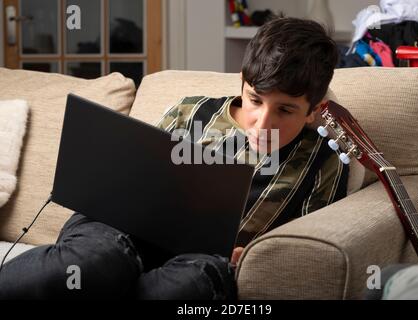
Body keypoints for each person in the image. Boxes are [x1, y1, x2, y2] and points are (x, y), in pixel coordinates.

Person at [0, 17, 348, 300]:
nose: (263, 121)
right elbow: (133, 170)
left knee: (188, 286)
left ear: (313, 111)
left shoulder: (321, 161)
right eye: (255, 99)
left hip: (200, 258)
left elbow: (303, 249)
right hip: (118, 225)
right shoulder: (191, 110)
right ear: (242, 83)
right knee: (99, 262)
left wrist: (252, 254)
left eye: (285, 110)